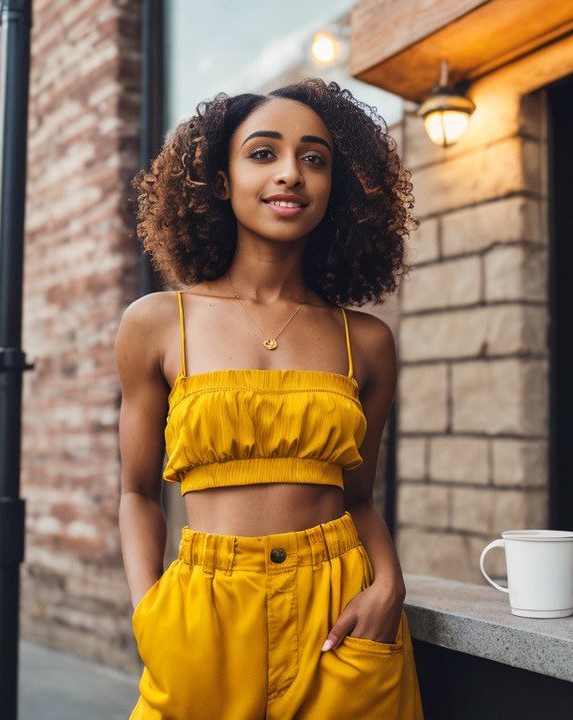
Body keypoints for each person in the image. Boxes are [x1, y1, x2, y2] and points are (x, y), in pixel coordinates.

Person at [115, 77, 424, 719]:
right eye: (263, 153)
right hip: (204, 613)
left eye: (314, 159)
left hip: (339, 614)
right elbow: (137, 493)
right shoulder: (157, 323)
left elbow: (360, 498)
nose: (291, 174)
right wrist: (151, 613)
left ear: (334, 188)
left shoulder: (365, 342)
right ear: (221, 182)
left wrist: (389, 582)